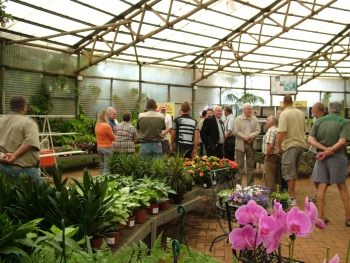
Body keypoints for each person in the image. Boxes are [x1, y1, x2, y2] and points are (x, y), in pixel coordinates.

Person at [307, 101, 350, 227]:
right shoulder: (344, 122)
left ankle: (321, 216)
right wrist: (329, 151)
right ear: (341, 110)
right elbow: (342, 142)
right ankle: (348, 217)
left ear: (329, 109)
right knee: (342, 186)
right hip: (338, 156)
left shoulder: (319, 121)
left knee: (322, 185)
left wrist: (324, 151)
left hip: (321, 157)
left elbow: (310, 139)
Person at [0, 95, 42, 182]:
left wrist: (2, 155)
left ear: (11, 107)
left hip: (1, 167)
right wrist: (14, 155)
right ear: (24, 107)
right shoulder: (28, 123)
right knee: (44, 193)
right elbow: (30, 142)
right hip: (22, 170)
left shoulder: (1, 120)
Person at [276, 95, 308, 206]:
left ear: (284, 103)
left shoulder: (284, 113)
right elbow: (304, 129)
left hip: (290, 145)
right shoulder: (300, 113)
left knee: (289, 172)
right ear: (292, 102)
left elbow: (281, 132)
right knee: (293, 172)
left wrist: (278, 147)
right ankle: (291, 195)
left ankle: (292, 197)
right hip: (301, 145)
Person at [233, 103, 260, 186]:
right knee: (239, 166)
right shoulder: (238, 119)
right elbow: (236, 131)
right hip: (240, 145)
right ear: (243, 110)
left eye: (251, 109)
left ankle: (250, 185)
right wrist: (245, 137)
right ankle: (238, 185)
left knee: (250, 166)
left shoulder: (254, 119)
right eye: (248, 109)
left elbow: (257, 131)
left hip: (251, 144)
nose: (250, 111)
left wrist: (250, 137)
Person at [307, 102, 325, 203]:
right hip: (312, 150)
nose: (311, 110)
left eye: (313, 108)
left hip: (318, 152)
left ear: (317, 109)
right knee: (313, 174)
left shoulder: (323, 121)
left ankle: (319, 195)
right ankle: (319, 194)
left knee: (319, 175)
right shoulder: (315, 120)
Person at [262, 115, 280, 194]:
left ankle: (270, 194)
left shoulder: (271, 130)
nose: (266, 121)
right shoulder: (277, 129)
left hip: (271, 155)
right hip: (277, 155)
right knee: (276, 175)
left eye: (268, 120)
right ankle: (277, 192)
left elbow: (270, 145)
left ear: (272, 122)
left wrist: (267, 155)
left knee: (269, 176)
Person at [95, 109, 116, 174]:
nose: (108, 117)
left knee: (102, 165)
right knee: (107, 167)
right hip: (107, 148)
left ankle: (101, 180)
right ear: (105, 116)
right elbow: (114, 138)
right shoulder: (106, 126)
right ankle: (106, 181)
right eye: (107, 115)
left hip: (99, 147)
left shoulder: (97, 125)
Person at [275, 107, 288, 191]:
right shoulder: (274, 125)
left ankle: (285, 187)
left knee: (284, 168)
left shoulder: (286, 123)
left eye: (281, 113)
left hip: (285, 149)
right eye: (279, 113)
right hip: (276, 151)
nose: (280, 115)